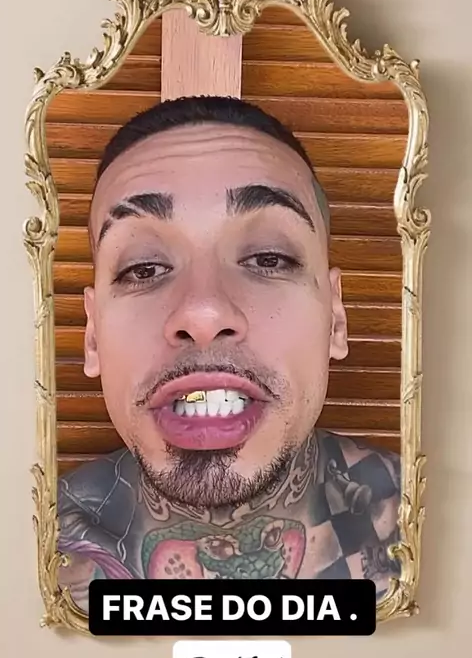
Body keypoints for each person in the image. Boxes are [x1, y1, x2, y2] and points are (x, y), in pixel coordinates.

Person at [57, 96, 401, 611]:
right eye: (143, 269)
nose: (203, 313)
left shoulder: (443, 532)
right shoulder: (23, 553)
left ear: (335, 317)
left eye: (268, 258)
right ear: (92, 335)